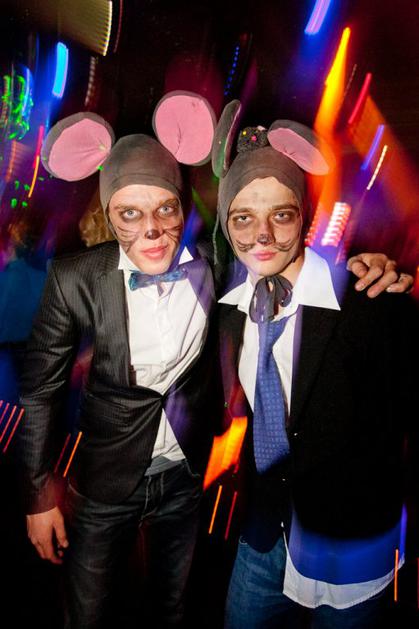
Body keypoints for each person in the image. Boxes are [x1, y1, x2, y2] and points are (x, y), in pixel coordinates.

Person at [18, 92, 412, 629]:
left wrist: (377, 268)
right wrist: (39, 495)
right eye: (130, 213)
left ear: (183, 207)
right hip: (108, 483)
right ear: (108, 214)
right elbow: (40, 389)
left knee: (173, 608)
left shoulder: (217, 271)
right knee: (87, 614)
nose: (151, 229)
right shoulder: (79, 277)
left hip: (202, 488)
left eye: (165, 208)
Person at [213, 108, 418, 628]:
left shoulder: (368, 301)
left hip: (346, 551)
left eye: (280, 215)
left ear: (303, 216)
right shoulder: (229, 309)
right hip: (263, 537)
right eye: (243, 217)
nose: (262, 235)